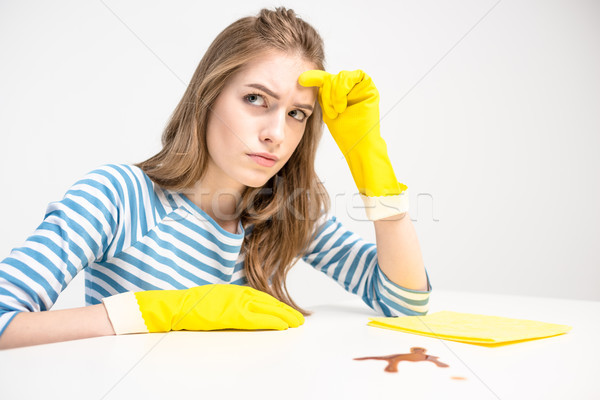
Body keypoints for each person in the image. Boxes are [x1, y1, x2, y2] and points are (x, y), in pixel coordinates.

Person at [0, 6, 432, 350]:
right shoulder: (118, 196)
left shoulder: (286, 209)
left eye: (297, 113)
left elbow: (405, 304)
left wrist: (374, 169)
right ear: (208, 95)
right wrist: (158, 313)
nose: (276, 134)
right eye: (256, 99)